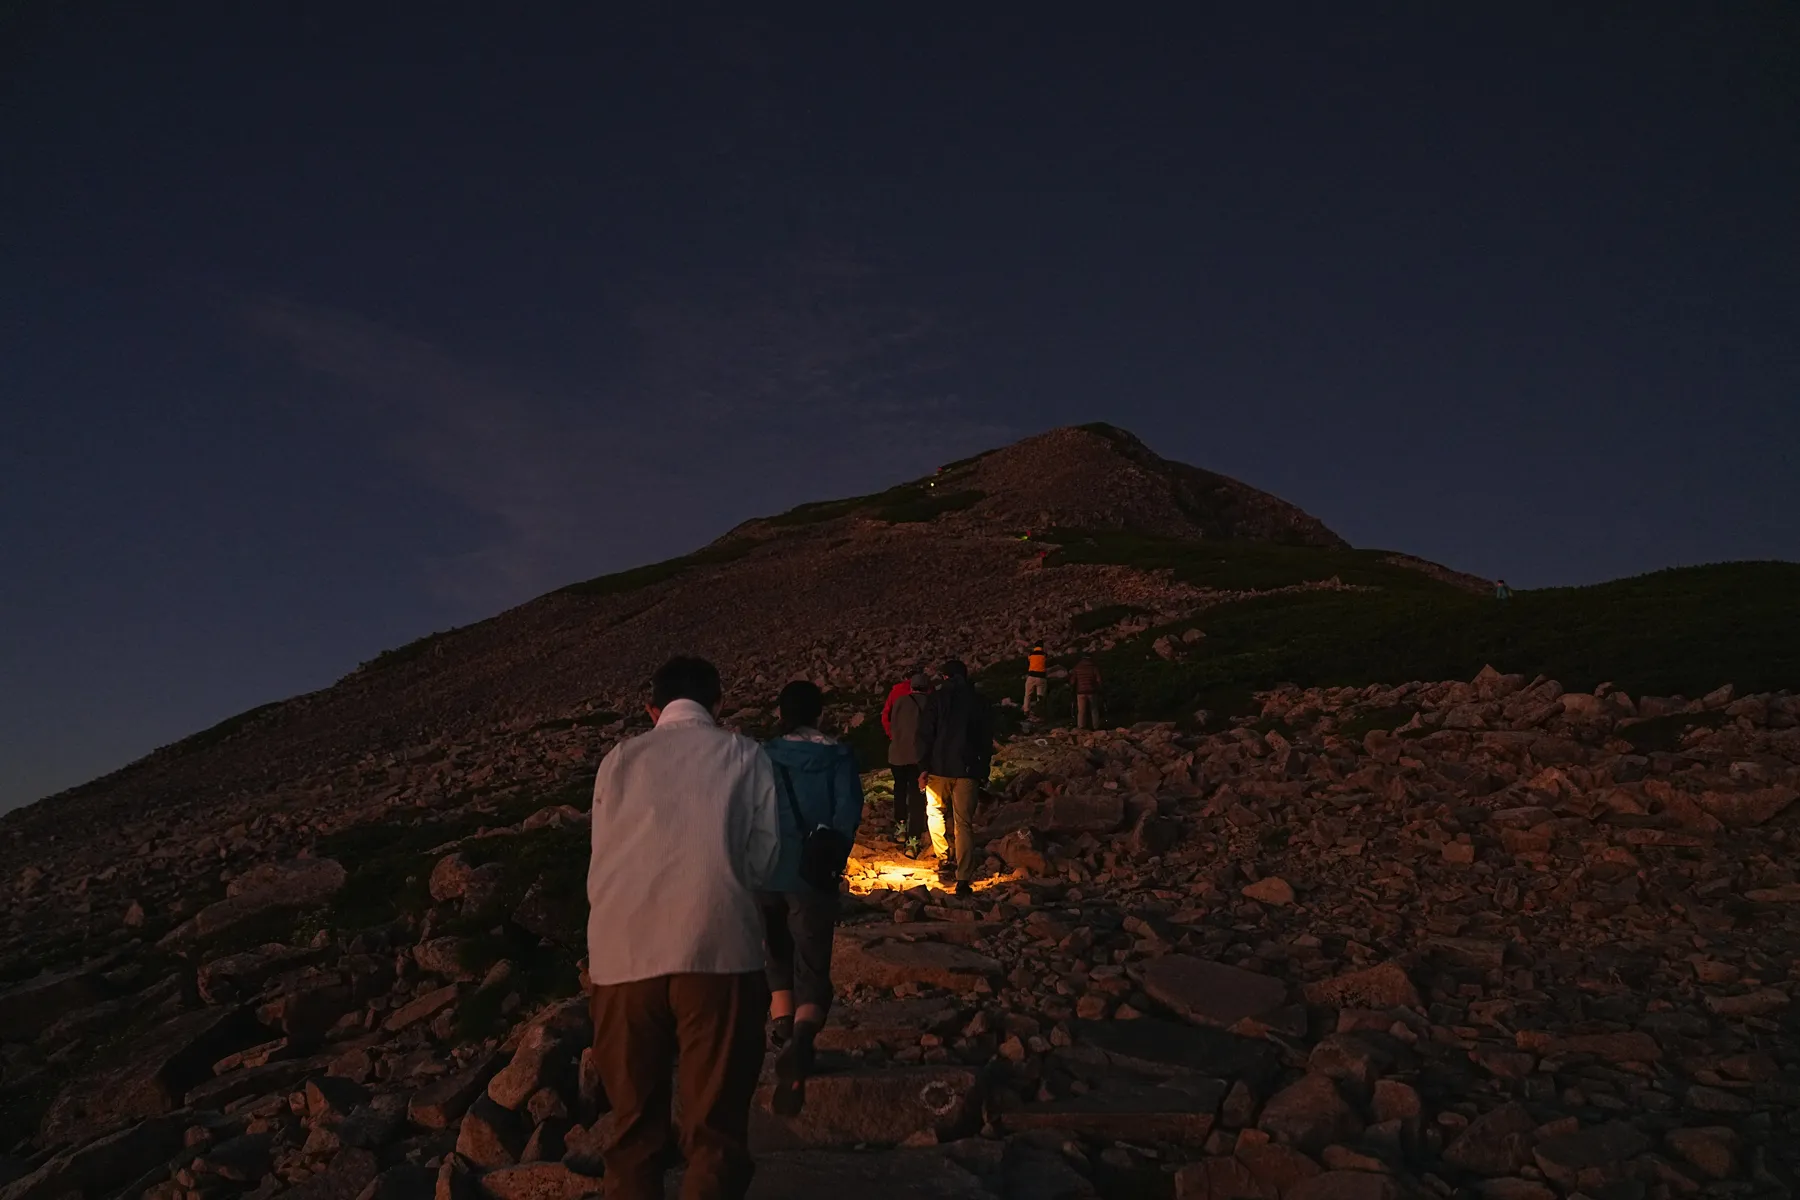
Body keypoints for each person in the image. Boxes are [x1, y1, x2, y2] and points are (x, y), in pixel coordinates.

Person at [585, 656, 780, 1200]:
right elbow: (763, 861)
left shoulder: (618, 759)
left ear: (653, 709)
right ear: (719, 704)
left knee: (632, 1132)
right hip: (719, 951)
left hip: (621, 957)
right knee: (715, 1133)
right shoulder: (745, 754)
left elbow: (602, 854)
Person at [759, 680, 864, 1117]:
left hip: (764, 871)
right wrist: (830, 858)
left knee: (776, 956)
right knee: (812, 960)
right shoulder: (837, 757)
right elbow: (847, 814)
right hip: (812, 876)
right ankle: (803, 1039)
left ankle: (782, 1032)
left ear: (780, 713)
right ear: (820, 714)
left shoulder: (762, 756)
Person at [917, 659, 993, 897]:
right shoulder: (978, 700)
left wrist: (923, 767)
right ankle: (963, 878)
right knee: (964, 823)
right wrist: (983, 771)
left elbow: (925, 734)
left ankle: (943, 859)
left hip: (938, 767)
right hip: (968, 768)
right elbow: (985, 739)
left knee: (935, 812)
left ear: (945, 677)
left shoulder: (936, 699)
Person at [886, 671, 929, 854]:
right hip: (919, 757)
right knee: (917, 795)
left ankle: (901, 826)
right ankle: (913, 839)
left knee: (899, 789)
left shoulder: (900, 701)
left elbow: (892, 724)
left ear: (911, 687)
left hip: (897, 754)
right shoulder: (931, 703)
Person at [1072, 657, 1103, 730]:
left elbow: (1072, 681)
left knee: (1081, 711)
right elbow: (1099, 680)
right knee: (1094, 709)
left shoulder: (1077, 668)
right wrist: (1099, 688)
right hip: (1092, 691)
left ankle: (1081, 727)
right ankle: (1096, 727)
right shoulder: (1093, 668)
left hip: (1080, 692)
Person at [1023, 645, 1049, 716]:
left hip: (1031, 677)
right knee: (1040, 696)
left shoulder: (1031, 654)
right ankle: (1039, 710)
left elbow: (1029, 660)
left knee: (1028, 694)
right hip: (1041, 677)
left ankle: (1026, 710)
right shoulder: (1044, 654)